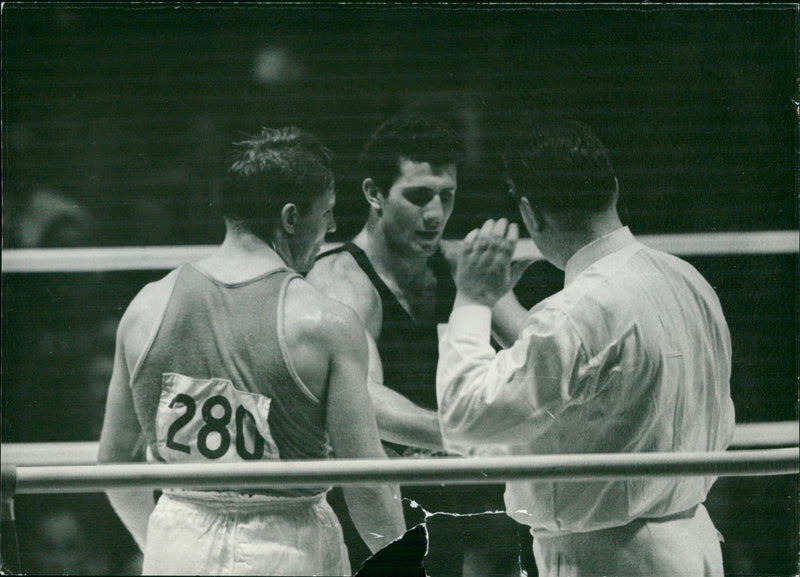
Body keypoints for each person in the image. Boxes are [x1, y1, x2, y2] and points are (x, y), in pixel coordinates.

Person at [98, 126, 405, 576]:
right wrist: (404, 562)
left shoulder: (146, 306)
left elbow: (113, 462)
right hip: (287, 547)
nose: (333, 229)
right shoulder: (324, 322)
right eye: (328, 213)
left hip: (176, 538)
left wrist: (166, 544)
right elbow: (368, 485)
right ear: (290, 218)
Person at [436, 117, 736, 576]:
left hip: (610, 556)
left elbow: (464, 417)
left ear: (531, 214)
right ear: (613, 189)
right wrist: (496, 299)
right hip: (690, 539)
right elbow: (589, 375)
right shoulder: (688, 281)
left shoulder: (578, 310)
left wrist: (473, 301)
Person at [307, 113, 528, 577]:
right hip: (391, 500)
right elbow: (361, 398)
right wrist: (464, 435)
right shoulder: (341, 279)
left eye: (446, 196)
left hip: (475, 492)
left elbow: (540, 353)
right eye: (418, 196)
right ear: (373, 194)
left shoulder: (460, 266)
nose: (435, 213)